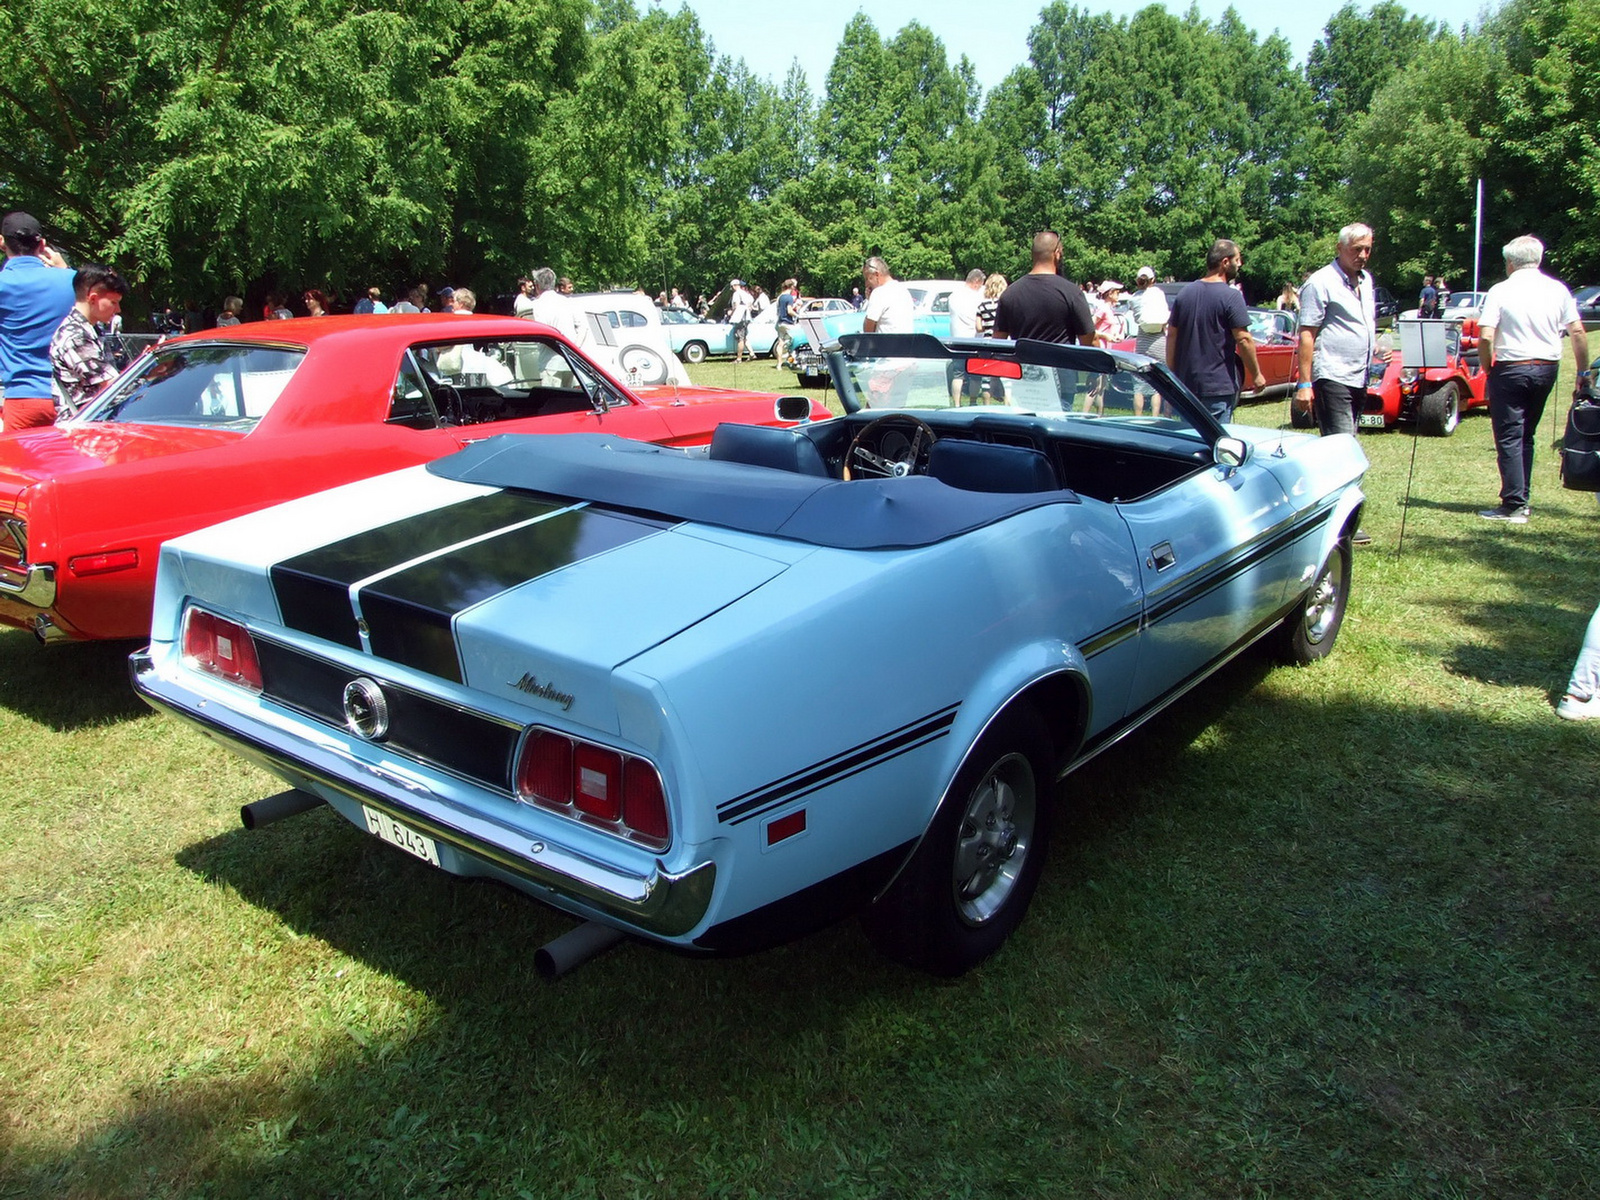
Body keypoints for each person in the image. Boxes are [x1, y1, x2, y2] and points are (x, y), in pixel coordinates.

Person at [1475, 235, 1589, 523]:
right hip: (1547, 367)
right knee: (1527, 434)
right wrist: (1582, 372)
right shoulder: (1558, 289)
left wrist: (1487, 367)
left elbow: (1486, 335)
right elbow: (1577, 331)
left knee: (1509, 435)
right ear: (1538, 259)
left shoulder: (1500, 290)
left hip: (1511, 367)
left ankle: (1513, 504)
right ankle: (1521, 497)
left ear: (1510, 263)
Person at [1295, 223, 1381, 438]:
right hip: (1332, 376)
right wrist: (1304, 384)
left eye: (1367, 249)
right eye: (1356, 249)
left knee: (1347, 440)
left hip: (1360, 375)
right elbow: (1307, 334)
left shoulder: (1366, 280)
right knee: (1341, 444)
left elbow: (1359, 322)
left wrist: (1374, 345)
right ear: (1339, 248)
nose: (1362, 255)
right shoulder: (1320, 282)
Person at [1167, 238, 1262, 424]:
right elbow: (1243, 339)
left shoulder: (1184, 294)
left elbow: (1172, 336)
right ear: (1225, 262)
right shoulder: (1231, 296)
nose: (1240, 264)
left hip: (1186, 385)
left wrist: (1171, 375)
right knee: (1216, 445)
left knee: (1189, 442)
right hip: (1217, 387)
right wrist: (1257, 374)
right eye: (1237, 259)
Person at [0, 211, 75, 431]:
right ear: (42, 245)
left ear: (2, 243)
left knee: (18, 465)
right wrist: (65, 269)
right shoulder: (73, 281)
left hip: (24, 398)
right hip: (72, 400)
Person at [49, 264, 129, 418]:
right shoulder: (76, 337)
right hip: (83, 432)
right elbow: (115, 387)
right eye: (113, 302)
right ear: (93, 298)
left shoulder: (89, 329)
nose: (118, 309)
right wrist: (150, 375)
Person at [993, 232, 1094, 347]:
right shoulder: (1072, 292)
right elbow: (1088, 341)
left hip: (1023, 363)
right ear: (1057, 254)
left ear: (1032, 255)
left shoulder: (1009, 294)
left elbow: (998, 342)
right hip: (1060, 363)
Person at [1128, 266, 1170, 416]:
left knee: (1139, 384)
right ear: (1153, 279)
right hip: (1159, 339)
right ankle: (1157, 417)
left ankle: (1138, 417)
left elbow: (1136, 318)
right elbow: (1165, 316)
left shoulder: (1134, 298)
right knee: (1158, 385)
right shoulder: (1158, 294)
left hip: (1143, 341)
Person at [947, 268, 986, 401]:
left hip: (957, 340)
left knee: (958, 375)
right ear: (976, 281)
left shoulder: (953, 296)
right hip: (975, 341)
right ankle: (973, 402)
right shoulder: (979, 297)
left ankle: (957, 403)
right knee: (975, 375)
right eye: (980, 283)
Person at [530, 266, 585, 344]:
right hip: (568, 352)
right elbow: (583, 327)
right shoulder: (568, 302)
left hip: (547, 353)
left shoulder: (536, 305)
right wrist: (576, 347)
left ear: (537, 285)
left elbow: (539, 334)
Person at [861, 257, 914, 333]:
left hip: (885, 344)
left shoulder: (879, 293)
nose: (866, 284)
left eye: (867, 278)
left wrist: (869, 302)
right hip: (905, 344)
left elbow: (867, 332)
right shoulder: (904, 291)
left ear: (876, 275)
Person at [773, 278, 800, 369]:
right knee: (795, 341)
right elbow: (789, 311)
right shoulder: (789, 297)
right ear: (791, 286)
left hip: (780, 322)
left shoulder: (780, 296)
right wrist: (797, 315)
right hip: (788, 323)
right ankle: (792, 361)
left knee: (780, 343)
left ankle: (779, 364)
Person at [726, 279, 753, 361]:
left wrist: (731, 313)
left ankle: (739, 358)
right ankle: (752, 353)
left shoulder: (736, 294)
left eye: (731, 287)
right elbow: (751, 303)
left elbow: (735, 306)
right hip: (747, 317)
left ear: (734, 286)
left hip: (740, 318)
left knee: (740, 338)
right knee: (744, 336)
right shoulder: (745, 293)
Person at [975, 272, 1006, 337]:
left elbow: (979, 328)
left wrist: (988, 327)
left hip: (988, 340)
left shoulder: (982, 306)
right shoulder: (1004, 303)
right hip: (1003, 341)